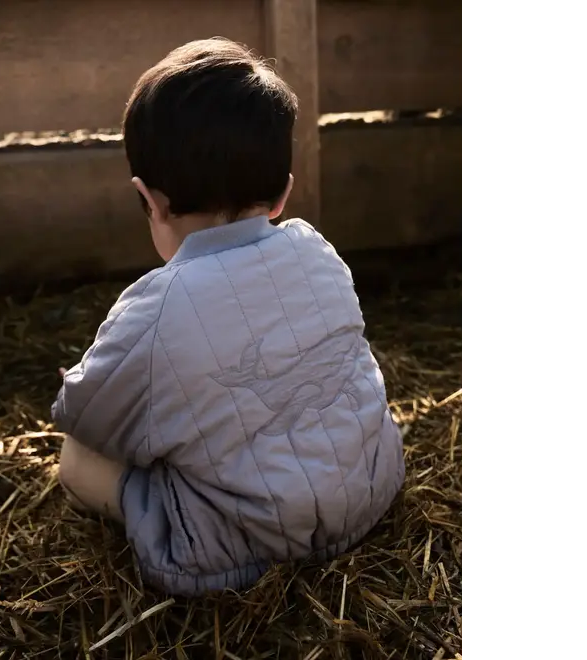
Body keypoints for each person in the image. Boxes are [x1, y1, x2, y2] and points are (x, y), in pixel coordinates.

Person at [52, 37, 405, 597]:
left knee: (76, 459)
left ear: (150, 200)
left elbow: (84, 414)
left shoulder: (155, 309)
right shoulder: (319, 253)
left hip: (241, 544)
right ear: (283, 194)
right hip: (371, 489)